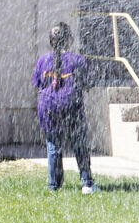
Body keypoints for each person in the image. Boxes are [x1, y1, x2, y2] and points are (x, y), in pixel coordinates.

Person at [33, 21, 97, 193]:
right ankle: (86, 183)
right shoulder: (78, 60)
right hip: (71, 105)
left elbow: (38, 84)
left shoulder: (42, 60)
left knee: (54, 145)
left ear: (51, 41)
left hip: (48, 107)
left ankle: (54, 185)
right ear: (68, 40)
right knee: (79, 144)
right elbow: (87, 84)